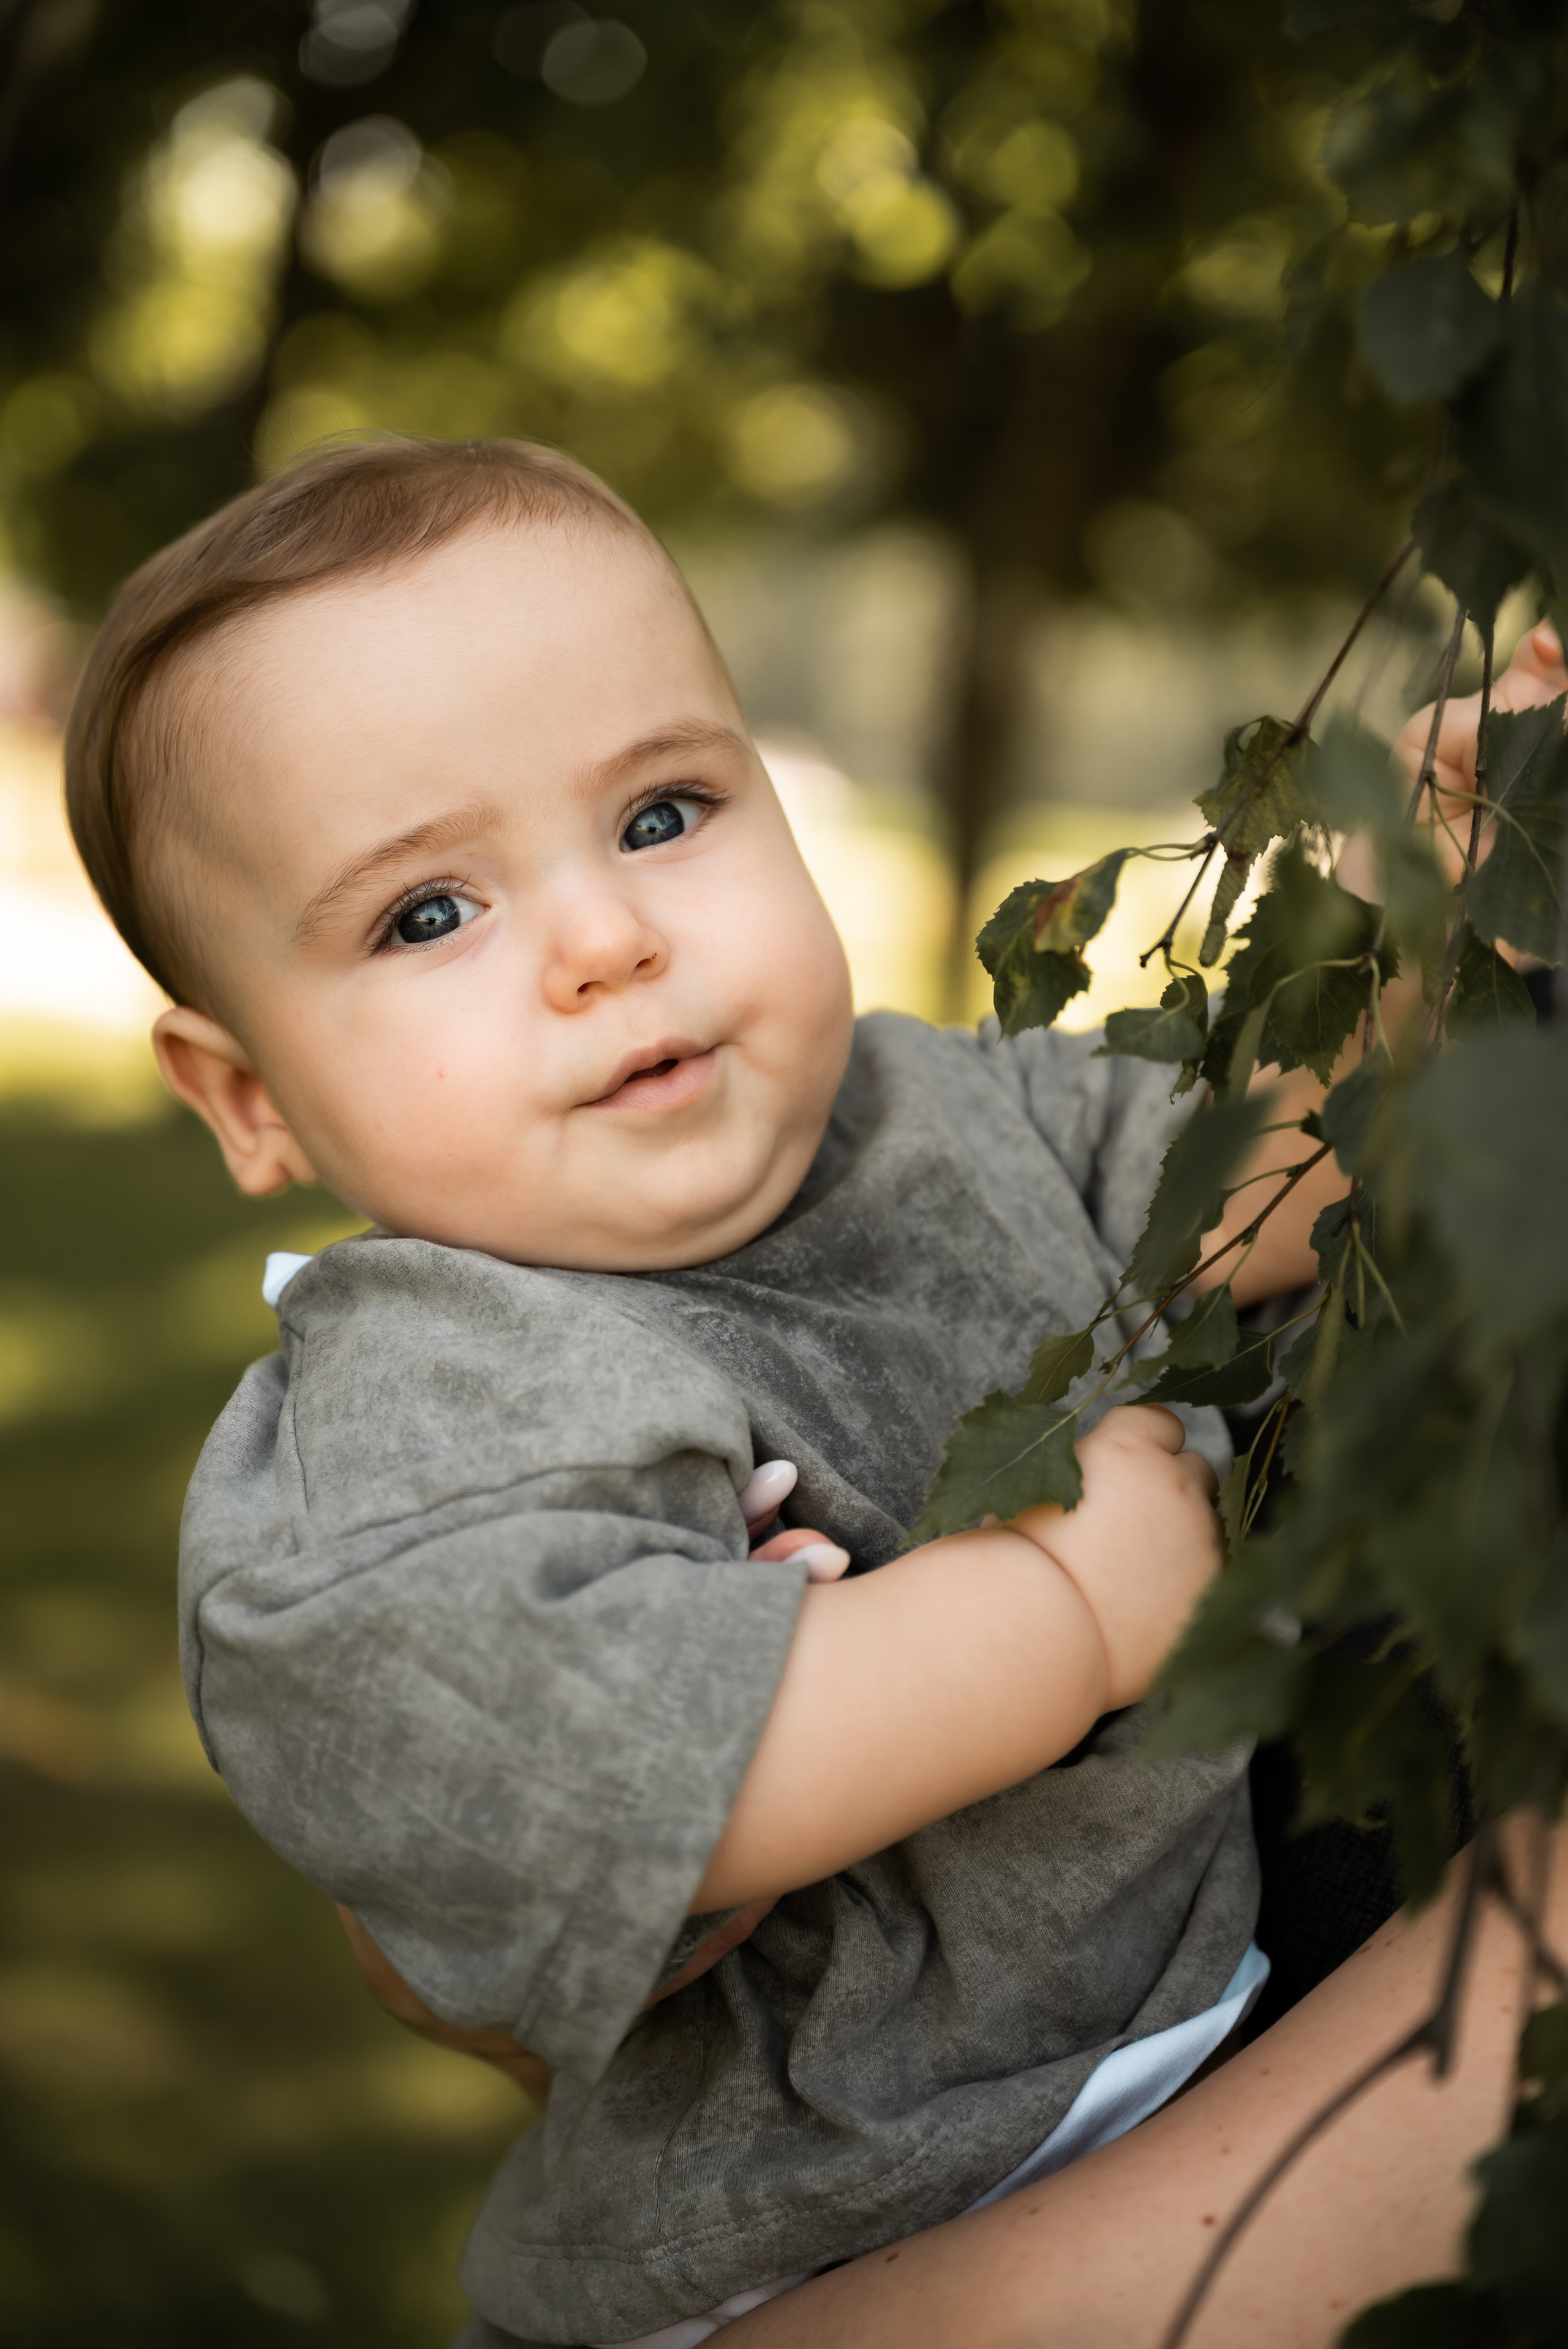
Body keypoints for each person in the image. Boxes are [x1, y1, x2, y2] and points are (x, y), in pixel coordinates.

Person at [61, 435, 1566, 2349]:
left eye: (665, 811)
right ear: (249, 1095)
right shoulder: (416, 1408)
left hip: (1139, 2066)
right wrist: (1065, 1606)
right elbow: (593, 1792)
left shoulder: (932, 1117)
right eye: (429, 914)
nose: (610, 940)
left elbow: (1261, 1188)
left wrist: (1434, 911)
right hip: (809, 2231)